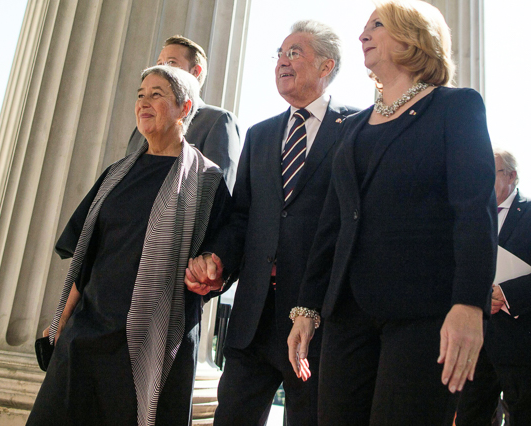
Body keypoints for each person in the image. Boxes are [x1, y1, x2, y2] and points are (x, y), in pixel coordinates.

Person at [287, 1, 498, 424]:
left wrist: (469, 304)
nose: (362, 35)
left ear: (414, 37)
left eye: (376, 26)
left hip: (424, 316)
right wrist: (307, 309)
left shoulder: (456, 107)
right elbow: (332, 226)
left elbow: (475, 210)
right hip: (347, 316)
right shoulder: (352, 127)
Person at [26, 65, 231, 426]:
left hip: (153, 344)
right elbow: (87, 260)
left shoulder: (207, 181)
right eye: (140, 95)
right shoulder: (115, 174)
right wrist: (61, 322)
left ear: (185, 109)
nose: (144, 103)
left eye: (157, 94)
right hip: (87, 334)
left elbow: (219, 261)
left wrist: (211, 268)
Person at [185, 20, 359, 425]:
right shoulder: (261, 135)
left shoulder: (355, 128)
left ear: (326, 66)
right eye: (279, 53)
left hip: (320, 321)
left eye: (294, 53)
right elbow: (243, 217)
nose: (282, 61)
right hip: (253, 319)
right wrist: (217, 258)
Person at [456, 148, 531, 425]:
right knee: (468, 416)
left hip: (519, 342)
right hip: (475, 341)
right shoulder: (470, 216)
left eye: (489, 172)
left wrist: (508, 294)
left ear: (511, 175)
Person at [126, 35, 240, 191]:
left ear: (195, 72)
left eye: (172, 63)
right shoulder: (140, 130)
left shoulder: (217, 121)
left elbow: (217, 193)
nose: (162, 69)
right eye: (159, 63)